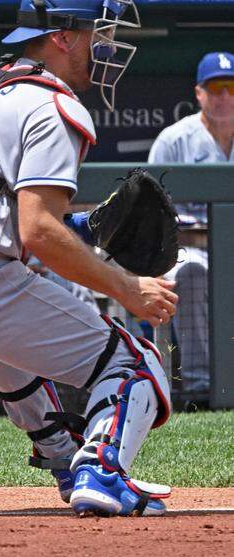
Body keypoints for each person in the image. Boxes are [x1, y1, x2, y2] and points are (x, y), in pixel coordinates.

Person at [0, 0, 178, 517]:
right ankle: (103, 471)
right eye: (96, 33)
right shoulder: (55, 105)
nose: (104, 47)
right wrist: (128, 288)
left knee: (6, 341)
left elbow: (14, 217)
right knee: (135, 363)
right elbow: (37, 231)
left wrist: (83, 229)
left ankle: (64, 457)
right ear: (62, 37)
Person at [146, 51, 233, 396]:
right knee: (191, 273)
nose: (225, 95)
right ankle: (201, 383)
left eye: (231, 86)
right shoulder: (174, 139)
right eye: (215, 87)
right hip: (189, 248)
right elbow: (150, 210)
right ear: (199, 93)